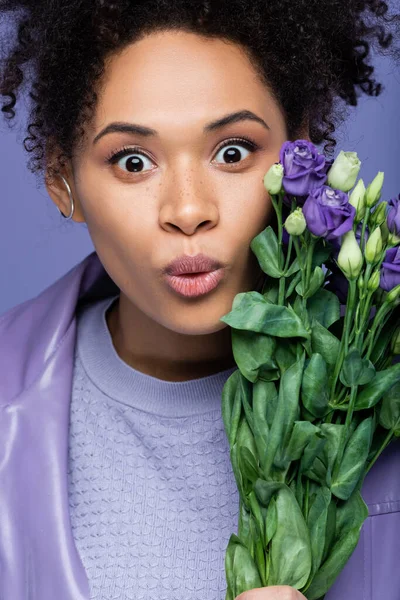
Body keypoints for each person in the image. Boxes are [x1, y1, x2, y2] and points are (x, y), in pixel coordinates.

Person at [0, 1, 399, 599]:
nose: (188, 211)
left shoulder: (376, 380)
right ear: (63, 178)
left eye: (232, 152)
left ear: (302, 151)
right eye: (133, 162)